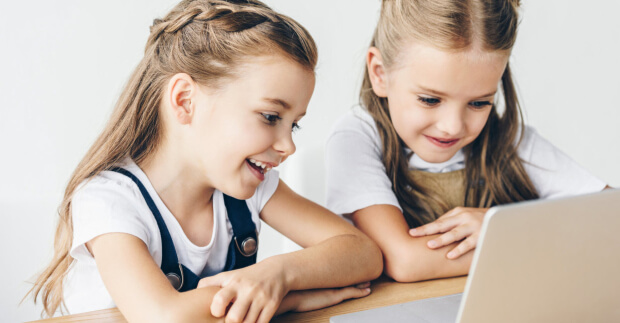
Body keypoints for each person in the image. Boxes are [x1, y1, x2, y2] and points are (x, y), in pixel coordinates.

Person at [28, 1, 383, 322]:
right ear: (185, 101)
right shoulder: (109, 202)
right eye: (271, 117)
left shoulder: (249, 185)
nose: (288, 145)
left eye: (295, 124)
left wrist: (277, 276)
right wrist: (285, 299)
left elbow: (363, 253)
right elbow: (165, 318)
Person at [325, 0, 609, 283]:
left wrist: (504, 228)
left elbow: (610, 214)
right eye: (430, 99)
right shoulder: (356, 139)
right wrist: (516, 236)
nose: (453, 126)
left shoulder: (510, 140)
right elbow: (406, 261)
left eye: (479, 102)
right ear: (380, 73)